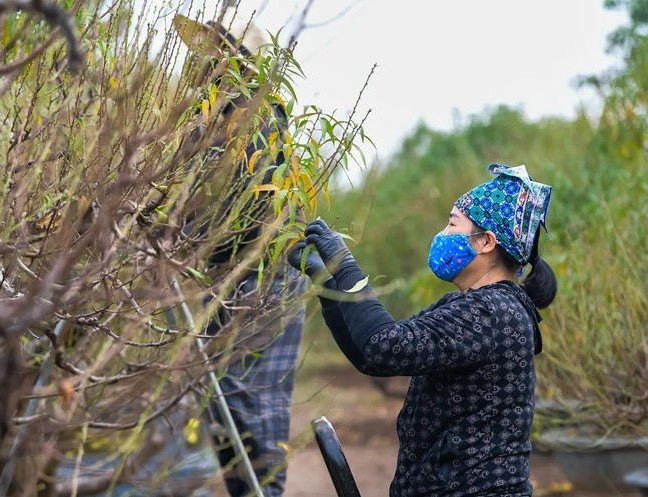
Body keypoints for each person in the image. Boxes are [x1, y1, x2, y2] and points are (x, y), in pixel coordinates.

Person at [289, 163, 555, 497]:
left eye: (453, 223)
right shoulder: (470, 306)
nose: (443, 233)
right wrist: (330, 286)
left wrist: (345, 266)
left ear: (486, 242)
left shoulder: (493, 312)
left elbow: (382, 346)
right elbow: (372, 356)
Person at [172, 8, 306, 497]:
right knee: (219, 405)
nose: (199, 58)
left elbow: (243, 211)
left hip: (264, 279)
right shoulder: (211, 117)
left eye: (212, 49)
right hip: (227, 277)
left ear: (237, 60)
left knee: (253, 408)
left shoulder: (258, 116)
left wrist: (178, 230)